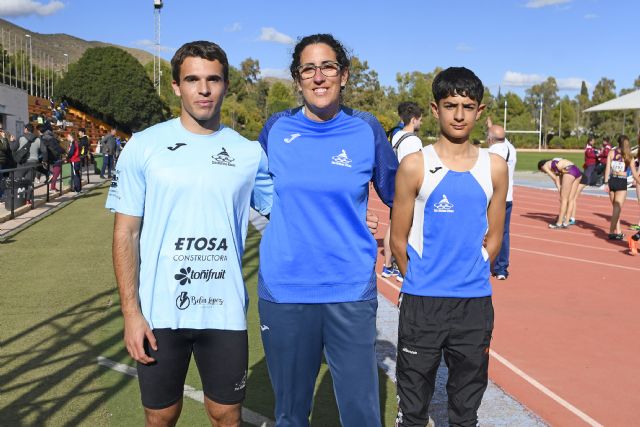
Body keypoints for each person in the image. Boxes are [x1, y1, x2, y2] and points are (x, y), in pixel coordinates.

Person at [105, 40, 272, 427]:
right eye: (192, 79)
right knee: (160, 416)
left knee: (226, 415)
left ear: (226, 85)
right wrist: (131, 313)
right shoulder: (144, 147)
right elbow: (125, 233)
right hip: (160, 311)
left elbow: (284, 212)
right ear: (177, 87)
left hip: (225, 309)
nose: (204, 89)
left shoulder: (249, 153)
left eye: (213, 79)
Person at [257, 33, 398, 426]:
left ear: (345, 75)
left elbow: (399, 195)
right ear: (297, 79)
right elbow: (252, 187)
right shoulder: (276, 129)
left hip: (349, 289)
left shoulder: (367, 129)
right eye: (309, 69)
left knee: (361, 414)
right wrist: (285, 213)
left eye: (328, 67)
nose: (319, 77)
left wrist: (391, 236)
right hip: (285, 290)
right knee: (289, 414)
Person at [390, 67, 507, 427]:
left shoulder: (495, 167)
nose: (459, 114)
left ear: (480, 111)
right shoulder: (415, 165)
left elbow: (495, 237)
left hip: (473, 306)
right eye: (450, 105)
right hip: (423, 303)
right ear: (435, 108)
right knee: (413, 409)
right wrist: (422, 279)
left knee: (464, 410)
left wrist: (470, 274)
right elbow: (397, 239)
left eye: (467, 106)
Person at [382, 101, 423, 282]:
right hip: (408, 188)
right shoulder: (413, 140)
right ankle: (401, 267)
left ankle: (387, 265)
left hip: (395, 186)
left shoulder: (395, 135)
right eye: (420, 120)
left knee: (392, 227)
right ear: (413, 120)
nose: (420, 123)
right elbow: (416, 166)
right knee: (408, 229)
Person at [486, 119, 516, 280]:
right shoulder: (511, 148)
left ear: (490, 139)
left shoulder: (492, 152)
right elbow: (499, 135)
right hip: (508, 197)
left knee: (485, 231)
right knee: (503, 233)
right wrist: (491, 127)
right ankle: (501, 268)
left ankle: (483, 264)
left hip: (493, 198)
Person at [604, 135, 636, 240]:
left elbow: (607, 168)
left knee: (615, 209)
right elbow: (635, 175)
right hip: (621, 182)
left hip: (612, 181)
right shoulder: (629, 156)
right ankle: (611, 232)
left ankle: (618, 231)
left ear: (618, 143)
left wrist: (605, 183)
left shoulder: (611, 153)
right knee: (617, 209)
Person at [537, 158, 582, 228]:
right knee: (571, 199)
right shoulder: (555, 163)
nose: (544, 172)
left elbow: (555, 179)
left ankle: (559, 223)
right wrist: (560, 190)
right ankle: (566, 222)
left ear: (541, 167)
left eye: (543, 171)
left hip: (569, 171)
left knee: (564, 199)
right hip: (577, 171)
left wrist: (561, 192)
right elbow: (558, 179)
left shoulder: (545, 166)